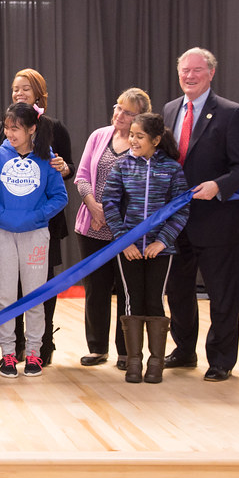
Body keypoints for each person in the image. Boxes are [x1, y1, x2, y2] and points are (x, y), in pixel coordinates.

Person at [162, 47, 239, 382]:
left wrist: (218, 185)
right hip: (177, 222)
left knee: (222, 295)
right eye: (184, 70)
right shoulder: (170, 110)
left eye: (196, 70)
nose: (189, 76)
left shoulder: (231, 113)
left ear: (211, 73)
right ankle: (184, 349)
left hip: (217, 222)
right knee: (178, 291)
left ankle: (220, 360)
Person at [0, 69, 74, 365]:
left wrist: (37, 217)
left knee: (38, 292)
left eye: (25, 88)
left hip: (39, 230)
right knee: (6, 296)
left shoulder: (50, 143)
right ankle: (10, 352)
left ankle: (38, 350)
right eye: (15, 88)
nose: (19, 92)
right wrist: (1, 216)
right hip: (4, 231)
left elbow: (61, 187)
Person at [101, 113, 190, 384]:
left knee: (154, 301)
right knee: (131, 300)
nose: (133, 140)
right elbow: (110, 203)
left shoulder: (172, 169)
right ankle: (134, 361)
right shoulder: (122, 165)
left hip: (159, 250)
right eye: (132, 135)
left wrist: (162, 241)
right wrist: (123, 240)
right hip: (128, 249)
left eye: (140, 136)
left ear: (156, 140)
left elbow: (181, 207)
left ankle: (156, 362)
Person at [73, 88, 151, 369]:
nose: (119, 114)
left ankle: (125, 351)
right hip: (91, 225)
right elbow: (81, 176)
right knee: (96, 288)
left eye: (128, 112)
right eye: (118, 107)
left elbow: (144, 188)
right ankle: (97, 348)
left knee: (126, 290)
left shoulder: (142, 145)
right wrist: (93, 207)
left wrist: (113, 216)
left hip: (125, 231)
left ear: (139, 118)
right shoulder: (98, 136)